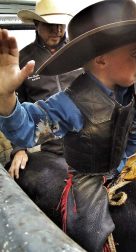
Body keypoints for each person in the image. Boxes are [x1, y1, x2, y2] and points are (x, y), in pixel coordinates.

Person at [0, 0, 136, 251]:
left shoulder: (133, 93)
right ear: (101, 59)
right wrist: (5, 98)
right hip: (88, 175)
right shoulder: (73, 103)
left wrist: (125, 158)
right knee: (90, 227)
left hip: (119, 167)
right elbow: (28, 129)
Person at [8, 0, 83, 179]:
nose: (57, 30)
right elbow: (15, 107)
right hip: (48, 148)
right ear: (36, 24)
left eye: (61, 25)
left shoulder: (79, 52)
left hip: (87, 143)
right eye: (50, 25)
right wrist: (19, 148)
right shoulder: (24, 60)